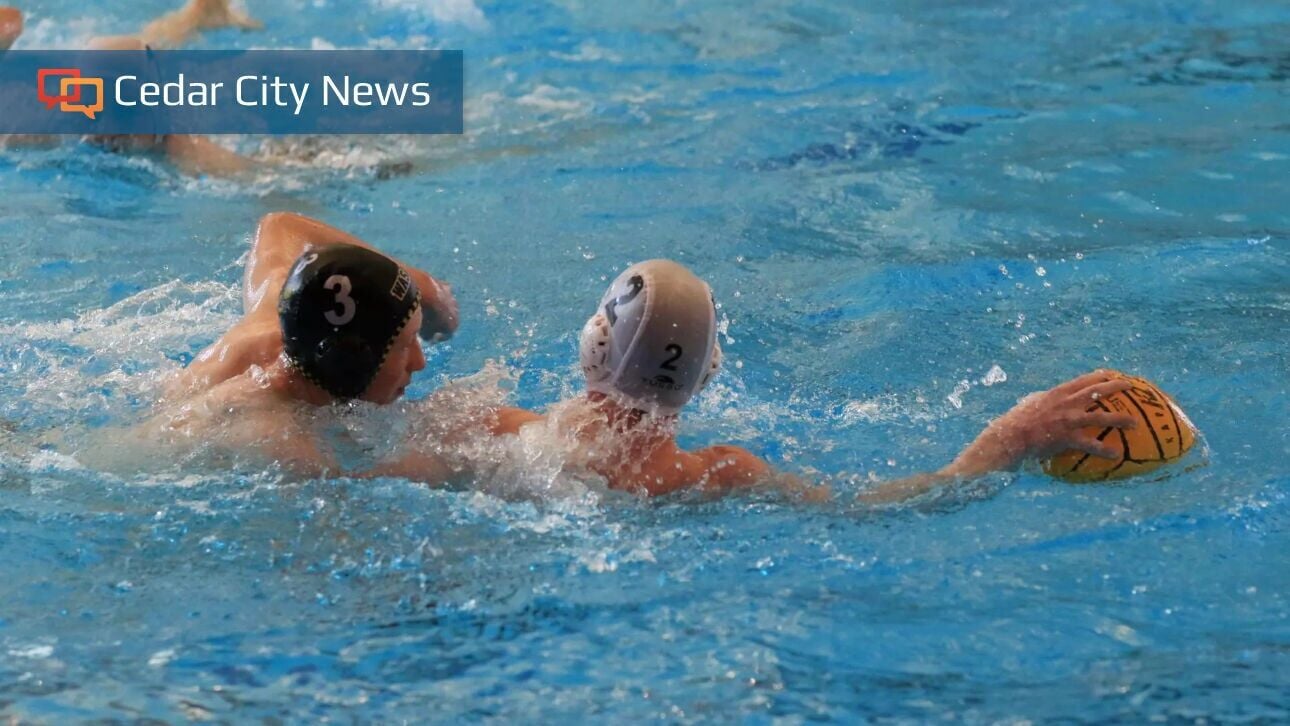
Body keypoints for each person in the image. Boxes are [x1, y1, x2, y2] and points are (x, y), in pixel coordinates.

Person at [375, 260, 1139, 501]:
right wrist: (1010, 437)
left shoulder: (492, 425)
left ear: (591, 346)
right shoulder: (719, 475)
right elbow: (878, 508)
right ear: (706, 375)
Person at [132, 212, 458, 475]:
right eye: (404, 346)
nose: (420, 362)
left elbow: (280, 225)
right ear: (351, 359)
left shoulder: (282, 325)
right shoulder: (282, 447)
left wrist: (424, 286)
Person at [0, 1, 262, 176]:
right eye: (95, 111)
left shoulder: (182, 147)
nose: (108, 132)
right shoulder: (51, 127)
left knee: (142, 53)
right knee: (136, 52)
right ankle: (201, 14)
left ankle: (201, 15)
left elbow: (263, 178)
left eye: (122, 115)